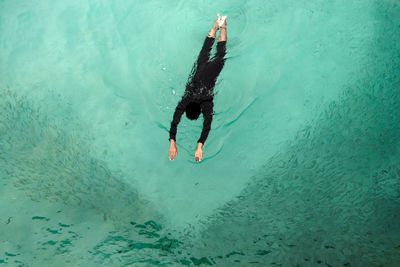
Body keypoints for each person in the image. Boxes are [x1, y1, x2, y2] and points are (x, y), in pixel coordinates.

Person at [168, 16, 227, 162]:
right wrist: (172, 142)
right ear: (187, 106)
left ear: (200, 111)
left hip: (211, 75)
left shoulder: (206, 104)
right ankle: (215, 25)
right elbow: (174, 121)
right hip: (198, 72)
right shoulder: (186, 99)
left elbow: (207, 126)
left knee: (220, 54)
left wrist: (199, 146)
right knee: (205, 50)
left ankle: (224, 26)